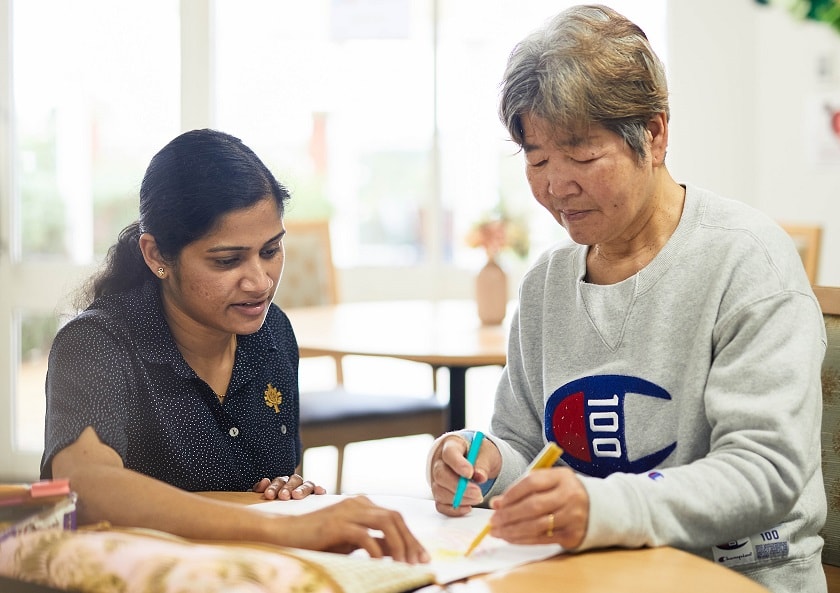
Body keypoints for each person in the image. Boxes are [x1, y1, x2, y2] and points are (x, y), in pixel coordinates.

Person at [427, 5, 826, 592]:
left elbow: (764, 472)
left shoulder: (746, 260)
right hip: (589, 576)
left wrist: (602, 508)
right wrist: (479, 463)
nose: (556, 185)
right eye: (536, 160)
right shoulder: (545, 285)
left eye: (583, 156)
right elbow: (527, 452)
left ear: (656, 134)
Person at [41, 128, 428, 564]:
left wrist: (288, 494)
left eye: (271, 250)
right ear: (156, 256)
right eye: (227, 260)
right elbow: (86, 487)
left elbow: (277, 480)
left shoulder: (272, 335)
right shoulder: (97, 343)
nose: (259, 282)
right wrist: (280, 527)